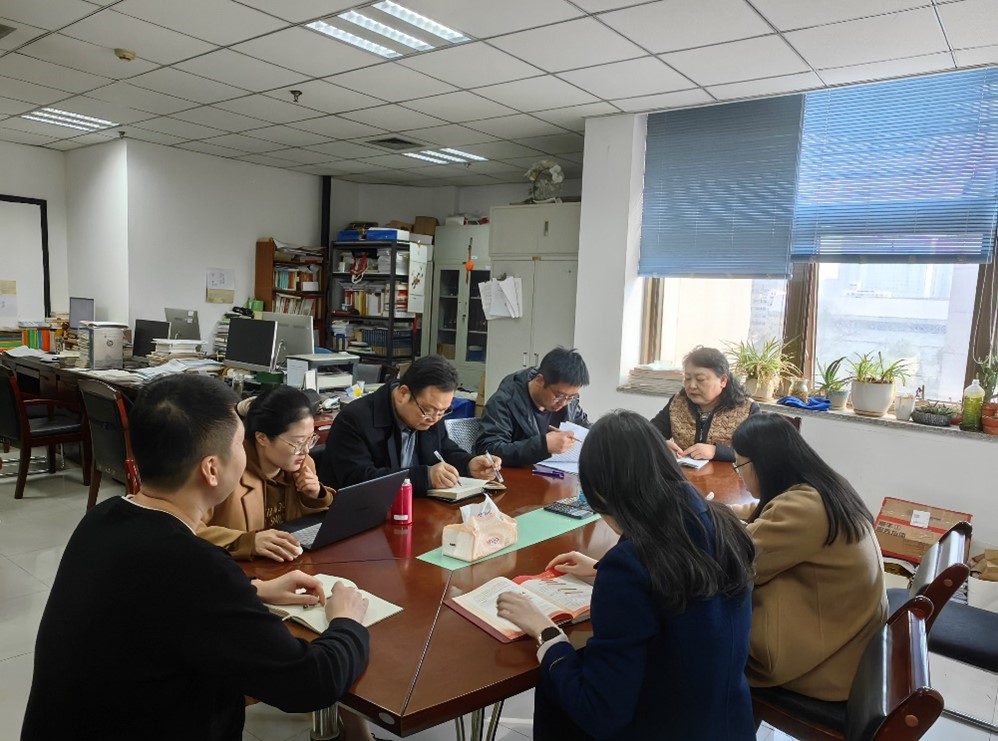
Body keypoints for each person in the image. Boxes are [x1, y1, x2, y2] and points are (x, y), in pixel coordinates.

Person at [22, 374, 370, 741]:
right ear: (211, 469)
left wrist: (253, 589)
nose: (246, 453)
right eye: (240, 442)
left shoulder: (101, 520)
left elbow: (159, 601)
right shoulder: (196, 567)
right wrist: (346, 621)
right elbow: (312, 683)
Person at [495, 410, 756, 740]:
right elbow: (687, 588)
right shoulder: (724, 524)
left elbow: (599, 712)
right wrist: (601, 568)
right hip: (728, 725)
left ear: (602, 493)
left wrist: (547, 633)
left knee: (558, 677)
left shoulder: (629, 566)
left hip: (660, 729)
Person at [730, 413, 888, 701]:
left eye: (739, 465)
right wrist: (719, 511)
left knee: (698, 617)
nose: (739, 475)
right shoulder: (824, 486)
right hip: (847, 636)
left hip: (828, 664)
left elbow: (737, 562)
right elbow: (762, 512)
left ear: (762, 464)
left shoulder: (804, 508)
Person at [319, 355, 500, 497]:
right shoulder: (355, 420)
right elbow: (359, 481)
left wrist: (469, 464)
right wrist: (424, 477)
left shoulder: (431, 415)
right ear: (403, 394)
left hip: (416, 508)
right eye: (429, 411)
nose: (435, 419)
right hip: (361, 514)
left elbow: (444, 449)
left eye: (443, 411)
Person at [197, 385, 333, 562]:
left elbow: (307, 528)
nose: (306, 450)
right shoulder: (224, 472)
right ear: (262, 438)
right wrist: (248, 542)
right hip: (237, 568)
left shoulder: (302, 464)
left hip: (286, 564)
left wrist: (315, 497)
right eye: (298, 442)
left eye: (310, 439)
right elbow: (185, 528)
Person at [476, 347, 590, 467]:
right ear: (540, 380)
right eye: (558, 396)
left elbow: (584, 427)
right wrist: (543, 446)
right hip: (515, 475)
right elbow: (488, 449)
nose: (563, 403)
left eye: (571, 397)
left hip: (553, 474)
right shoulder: (505, 402)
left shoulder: (569, 404)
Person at [650, 346, 758, 462]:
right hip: (683, 471)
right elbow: (648, 433)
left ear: (723, 381)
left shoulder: (747, 408)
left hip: (728, 473)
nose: (691, 386)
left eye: (700, 379)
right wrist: (661, 444)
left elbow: (757, 451)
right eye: (687, 378)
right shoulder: (678, 402)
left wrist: (717, 452)